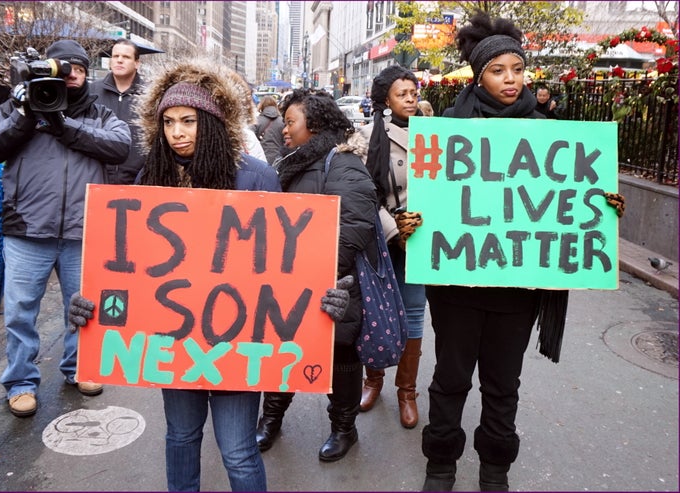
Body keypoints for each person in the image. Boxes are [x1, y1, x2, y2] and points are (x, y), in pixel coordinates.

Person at [67, 59, 354, 492]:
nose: (177, 132)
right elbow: (129, 268)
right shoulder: (151, 179)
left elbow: (281, 264)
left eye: (188, 121)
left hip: (237, 345)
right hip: (173, 343)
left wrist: (324, 296)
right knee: (181, 436)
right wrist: (92, 302)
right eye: (167, 122)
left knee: (237, 449)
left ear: (214, 123)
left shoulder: (254, 177)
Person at [419, 13, 624, 492]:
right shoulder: (449, 128)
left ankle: (495, 471)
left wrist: (606, 204)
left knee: (502, 386)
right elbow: (428, 203)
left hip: (517, 289)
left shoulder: (548, 130)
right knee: (449, 381)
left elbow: (570, 199)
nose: (510, 79)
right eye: (497, 70)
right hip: (456, 286)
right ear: (478, 74)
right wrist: (414, 222)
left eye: (517, 68)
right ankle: (441, 465)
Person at [0, 39, 131, 418]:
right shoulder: (16, 105)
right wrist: (26, 116)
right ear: (49, 68)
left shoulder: (99, 111)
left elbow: (120, 145)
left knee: (82, 309)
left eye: (77, 68)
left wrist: (64, 126)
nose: (71, 75)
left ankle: (81, 368)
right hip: (26, 228)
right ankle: (21, 383)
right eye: (63, 67)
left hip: (83, 229)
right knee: (20, 312)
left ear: (86, 72)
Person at [255, 88, 378, 462]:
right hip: (288, 286)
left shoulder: (342, 165)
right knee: (283, 353)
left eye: (291, 122)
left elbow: (354, 226)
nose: (285, 130)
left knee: (341, 359)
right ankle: (271, 419)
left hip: (334, 289)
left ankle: (344, 428)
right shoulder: (293, 162)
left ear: (317, 124)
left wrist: (311, 269)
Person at [348, 65, 427, 430]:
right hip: (383, 236)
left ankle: (406, 392)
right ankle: (373, 380)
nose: (410, 99)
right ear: (385, 99)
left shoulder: (435, 134)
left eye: (413, 92)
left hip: (422, 239)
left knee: (413, 313)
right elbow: (362, 194)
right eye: (402, 94)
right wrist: (394, 228)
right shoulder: (365, 137)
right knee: (374, 310)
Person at [90, 39, 147, 184]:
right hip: (97, 178)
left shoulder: (150, 94)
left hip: (140, 180)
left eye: (126, 57)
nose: (119, 61)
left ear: (137, 63)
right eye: (115, 56)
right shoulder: (91, 92)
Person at [251, 96, 285, 165]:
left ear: (261, 105)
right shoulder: (283, 121)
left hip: (261, 160)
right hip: (278, 160)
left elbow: (250, 139)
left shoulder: (256, 121)